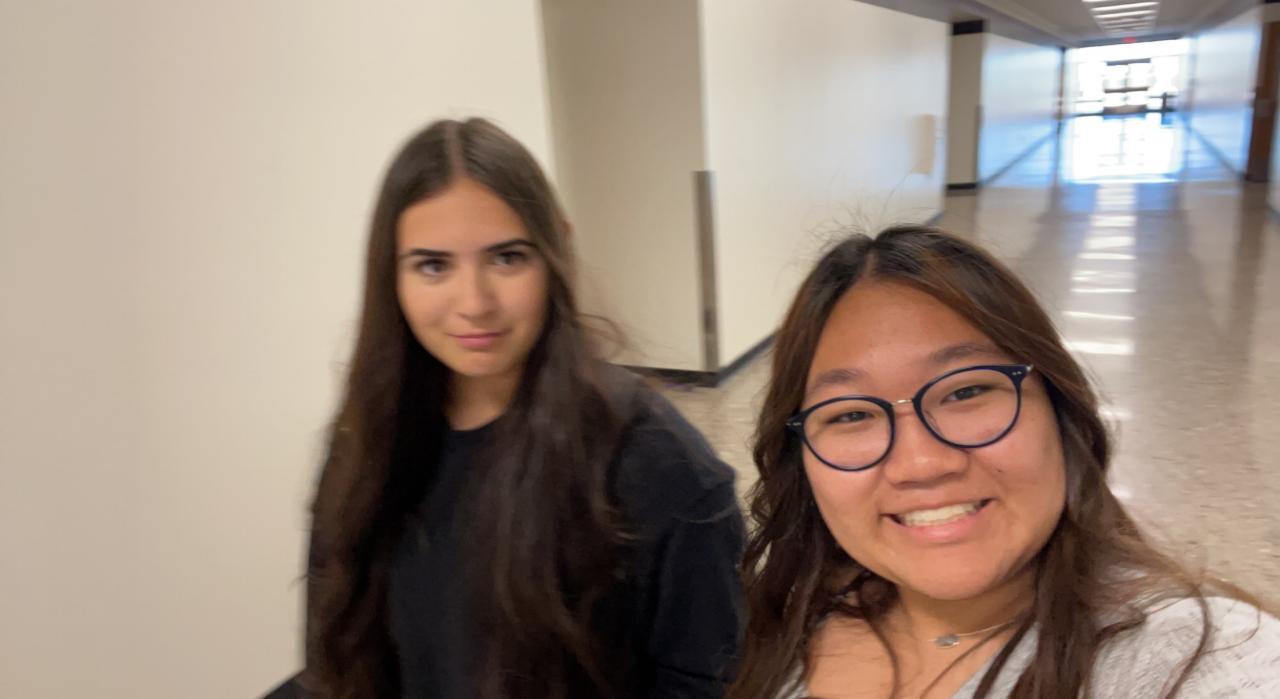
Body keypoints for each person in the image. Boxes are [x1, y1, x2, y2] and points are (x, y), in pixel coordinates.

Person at [729, 226, 1280, 698]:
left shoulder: (1198, 656)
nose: (920, 463)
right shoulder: (789, 612)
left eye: (966, 392)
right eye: (851, 415)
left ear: (1060, 411)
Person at [302, 118, 744, 698]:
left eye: (507, 258)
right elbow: (332, 647)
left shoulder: (658, 466)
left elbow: (705, 684)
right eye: (433, 265)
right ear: (391, 276)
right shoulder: (365, 444)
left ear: (558, 249)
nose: (474, 303)